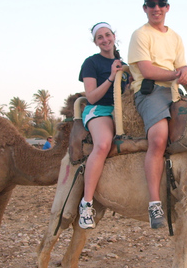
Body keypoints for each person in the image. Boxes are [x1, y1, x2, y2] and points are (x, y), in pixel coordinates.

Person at [128, 0, 187, 229]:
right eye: (151, 4)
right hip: (150, 91)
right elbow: (147, 70)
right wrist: (178, 75)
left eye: (161, 4)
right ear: (145, 8)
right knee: (158, 139)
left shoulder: (175, 37)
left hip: (173, 91)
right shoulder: (140, 35)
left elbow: (182, 65)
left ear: (167, 7)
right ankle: (154, 203)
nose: (156, 8)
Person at [77, 22, 129, 229]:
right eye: (100, 37)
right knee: (103, 144)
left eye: (108, 35)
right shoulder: (91, 63)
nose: (105, 39)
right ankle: (87, 203)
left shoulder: (124, 64)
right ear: (95, 42)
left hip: (122, 111)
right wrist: (111, 77)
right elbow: (91, 96)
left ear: (114, 36)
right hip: (99, 109)